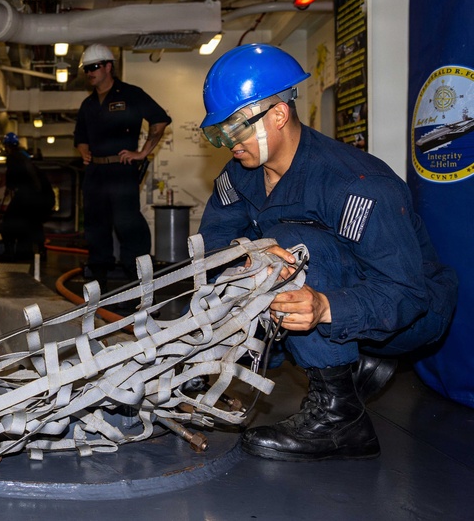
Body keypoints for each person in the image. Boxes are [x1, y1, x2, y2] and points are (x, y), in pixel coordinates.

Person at [197, 43, 457, 461]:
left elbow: (408, 293)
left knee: (292, 246)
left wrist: (323, 306)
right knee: (252, 261)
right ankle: (353, 362)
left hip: (411, 308)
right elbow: (213, 243)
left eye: (235, 128)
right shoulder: (238, 176)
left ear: (278, 115)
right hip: (350, 292)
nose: (228, 143)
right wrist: (245, 258)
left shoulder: (355, 184)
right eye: (218, 132)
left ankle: (341, 419)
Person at [73, 43, 171, 287]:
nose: (89, 72)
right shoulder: (88, 104)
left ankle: (138, 282)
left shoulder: (131, 94)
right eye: (86, 69)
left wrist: (143, 152)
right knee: (95, 227)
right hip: (95, 173)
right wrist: (84, 151)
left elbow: (159, 121)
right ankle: (98, 283)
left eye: (94, 67)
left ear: (108, 67)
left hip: (121, 171)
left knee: (127, 224)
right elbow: (80, 137)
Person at [0, 132, 54, 262]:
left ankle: (9, 253)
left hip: (29, 197)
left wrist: (10, 188)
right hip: (43, 199)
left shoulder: (13, 158)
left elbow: (12, 181)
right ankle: (34, 252)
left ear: (6, 146)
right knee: (32, 224)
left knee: (8, 222)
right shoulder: (25, 158)